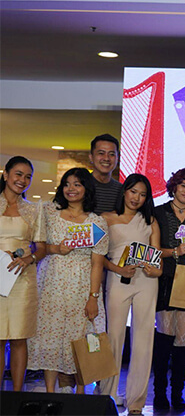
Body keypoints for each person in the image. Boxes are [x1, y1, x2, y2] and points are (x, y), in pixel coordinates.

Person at [27, 168, 109, 394]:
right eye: (67, 184)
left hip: (82, 285)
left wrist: (93, 297)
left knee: (81, 337)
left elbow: (97, 263)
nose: (71, 189)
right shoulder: (50, 212)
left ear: (86, 189)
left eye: (77, 184)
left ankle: (80, 393)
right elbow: (37, 246)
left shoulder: (97, 223)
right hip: (51, 283)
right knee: (50, 335)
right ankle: (50, 392)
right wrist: (57, 249)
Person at [100, 174, 162, 413]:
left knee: (144, 338)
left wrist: (154, 270)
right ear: (124, 191)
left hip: (146, 281)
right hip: (117, 279)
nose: (137, 198)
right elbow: (98, 257)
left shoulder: (150, 221)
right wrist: (118, 269)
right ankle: (107, 395)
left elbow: (158, 261)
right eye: (133, 191)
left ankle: (136, 400)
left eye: (142, 194)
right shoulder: (106, 218)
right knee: (114, 336)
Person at [152, 167, 185, 411]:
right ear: (174, 186)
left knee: (182, 339)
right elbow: (151, 249)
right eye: (183, 185)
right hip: (164, 278)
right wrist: (175, 251)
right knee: (165, 334)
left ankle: (177, 393)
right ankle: (159, 393)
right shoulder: (158, 213)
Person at [0, 156, 46, 391]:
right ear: (6, 174)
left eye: (28, 177)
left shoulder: (33, 209)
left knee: (19, 337)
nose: (23, 180)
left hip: (22, 278)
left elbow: (42, 247)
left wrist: (30, 258)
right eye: (18, 174)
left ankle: (17, 395)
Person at [89, 134, 122, 215]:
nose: (106, 158)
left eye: (112, 154)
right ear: (91, 157)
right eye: (101, 153)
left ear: (117, 158)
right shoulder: (79, 186)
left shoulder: (122, 190)